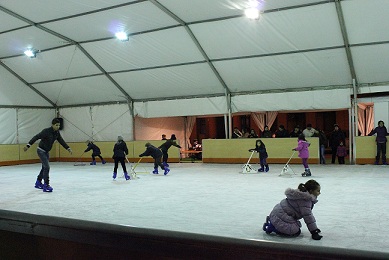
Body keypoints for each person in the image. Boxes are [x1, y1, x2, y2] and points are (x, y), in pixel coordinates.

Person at [23, 118, 72, 192]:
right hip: (41, 151)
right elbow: (36, 137)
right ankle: (46, 185)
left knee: (44, 167)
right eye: (56, 125)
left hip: (46, 152)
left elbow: (61, 140)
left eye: (59, 125)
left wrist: (67, 148)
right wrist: (28, 145)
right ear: (52, 125)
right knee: (47, 167)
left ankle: (38, 182)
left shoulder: (57, 133)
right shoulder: (46, 131)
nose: (58, 127)